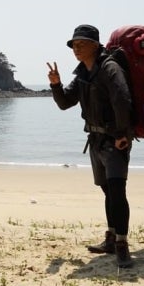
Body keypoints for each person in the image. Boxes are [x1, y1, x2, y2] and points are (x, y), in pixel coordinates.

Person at [47, 24, 134, 268]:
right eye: (74, 44)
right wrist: (56, 84)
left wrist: (122, 134)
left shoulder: (110, 68)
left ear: (95, 45)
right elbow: (65, 103)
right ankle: (110, 237)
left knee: (117, 192)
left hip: (115, 140)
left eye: (81, 44)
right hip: (95, 141)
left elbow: (123, 100)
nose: (76, 48)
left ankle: (122, 244)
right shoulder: (83, 75)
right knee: (108, 191)